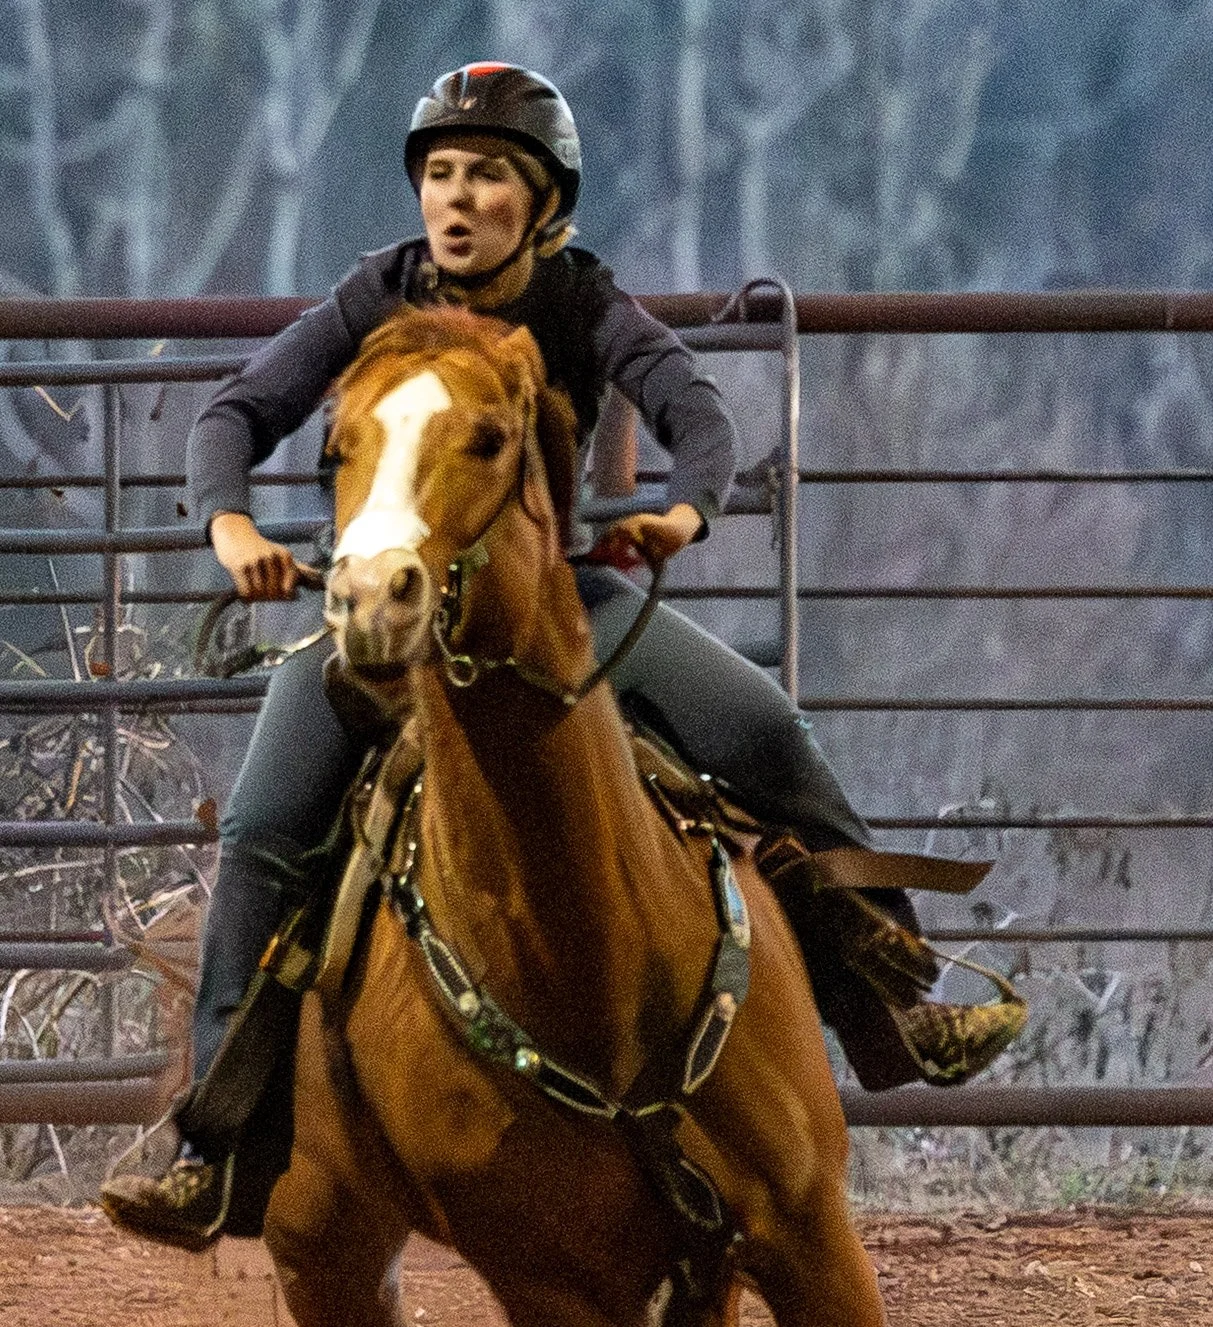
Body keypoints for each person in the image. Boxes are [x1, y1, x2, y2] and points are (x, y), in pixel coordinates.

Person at [101, 63, 1024, 1248]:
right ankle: (213, 1148)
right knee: (264, 830)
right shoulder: (375, 293)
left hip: (559, 606)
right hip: (382, 617)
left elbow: (698, 413)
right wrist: (232, 525)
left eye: (487, 174)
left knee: (761, 726)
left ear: (540, 203)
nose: (456, 197)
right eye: (440, 172)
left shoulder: (584, 302)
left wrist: (684, 510)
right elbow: (237, 409)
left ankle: (893, 997)